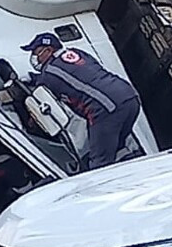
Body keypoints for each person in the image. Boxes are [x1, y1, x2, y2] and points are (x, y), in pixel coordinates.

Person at [21, 33, 141, 170]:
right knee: (118, 147)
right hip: (129, 97)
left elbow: (41, 91)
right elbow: (75, 74)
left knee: (100, 166)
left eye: (36, 53)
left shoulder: (49, 72)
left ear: (49, 50)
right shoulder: (77, 53)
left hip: (105, 109)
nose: (34, 58)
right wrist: (34, 77)